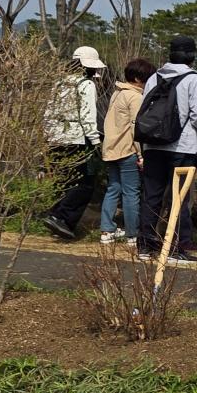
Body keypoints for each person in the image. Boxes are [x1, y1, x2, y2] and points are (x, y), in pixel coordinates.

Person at [138, 37, 197, 265]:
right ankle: (176, 246)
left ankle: (146, 246)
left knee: (151, 195)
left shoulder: (154, 77)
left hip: (153, 146)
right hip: (182, 147)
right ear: (191, 56)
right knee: (179, 198)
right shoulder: (193, 79)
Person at [43, 46, 106, 240]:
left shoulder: (59, 83)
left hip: (55, 137)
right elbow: (88, 116)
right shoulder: (86, 85)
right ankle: (60, 217)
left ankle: (58, 220)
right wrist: (96, 141)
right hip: (76, 138)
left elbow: (48, 111)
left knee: (64, 181)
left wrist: (47, 135)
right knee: (85, 184)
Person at [100, 58, 155, 246]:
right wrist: (141, 154)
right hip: (126, 150)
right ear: (139, 79)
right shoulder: (135, 97)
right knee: (131, 192)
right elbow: (136, 128)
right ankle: (132, 234)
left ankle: (106, 230)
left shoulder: (117, 93)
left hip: (110, 148)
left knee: (113, 189)